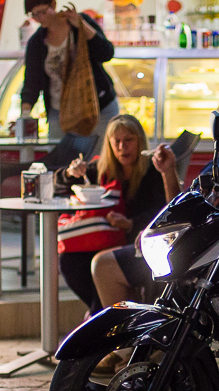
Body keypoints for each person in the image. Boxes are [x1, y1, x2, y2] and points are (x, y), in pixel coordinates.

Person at [91, 97, 219, 311]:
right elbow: (182, 206)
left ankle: (128, 340)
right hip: (185, 245)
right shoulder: (217, 160)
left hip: (198, 256)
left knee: (104, 265)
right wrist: (168, 171)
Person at [54, 115, 175, 318]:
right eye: (116, 141)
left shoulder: (152, 171)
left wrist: (130, 223)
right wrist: (69, 173)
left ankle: (97, 316)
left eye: (128, 140)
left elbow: (162, 210)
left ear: (139, 141)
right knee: (69, 260)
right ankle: (100, 313)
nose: (122, 147)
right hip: (101, 238)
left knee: (99, 262)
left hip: (135, 239)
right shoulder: (101, 168)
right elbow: (59, 186)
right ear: (109, 144)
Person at [21, 0, 119, 143]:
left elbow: (106, 53)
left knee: (101, 161)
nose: (39, 18)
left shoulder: (79, 24)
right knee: (60, 162)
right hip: (60, 112)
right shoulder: (37, 43)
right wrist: (25, 114)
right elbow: (32, 81)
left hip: (97, 107)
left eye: (42, 12)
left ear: (53, 4)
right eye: (34, 14)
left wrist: (82, 25)